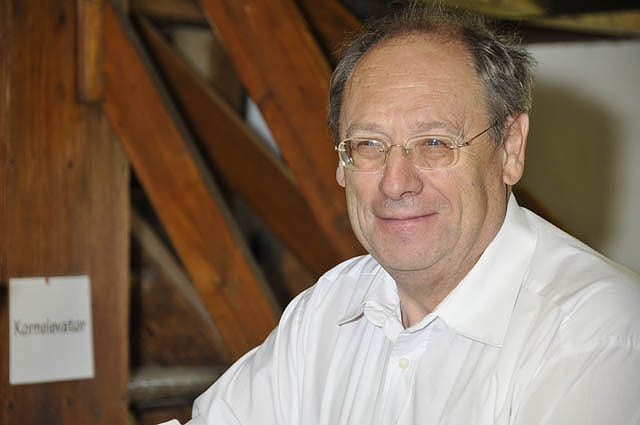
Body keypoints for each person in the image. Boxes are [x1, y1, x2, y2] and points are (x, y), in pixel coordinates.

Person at [162, 4, 640, 425]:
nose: (395, 183)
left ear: (510, 148)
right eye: (368, 144)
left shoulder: (597, 332)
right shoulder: (326, 311)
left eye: (433, 142)